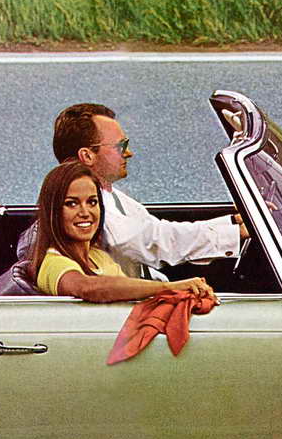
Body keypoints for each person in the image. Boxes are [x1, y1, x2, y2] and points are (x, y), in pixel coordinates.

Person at [45, 103, 246, 275]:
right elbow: (155, 242)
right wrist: (235, 234)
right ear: (88, 155)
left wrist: (232, 222)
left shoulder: (112, 197)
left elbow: (157, 229)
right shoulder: (91, 208)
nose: (129, 153)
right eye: (121, 146)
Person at [32, 161, 215, 304]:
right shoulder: (53, 263)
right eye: (71, 203)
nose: (85, 212)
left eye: (92, 202)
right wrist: (169, 288)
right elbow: (88, 288)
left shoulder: (98, 257)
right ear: (53, 211)